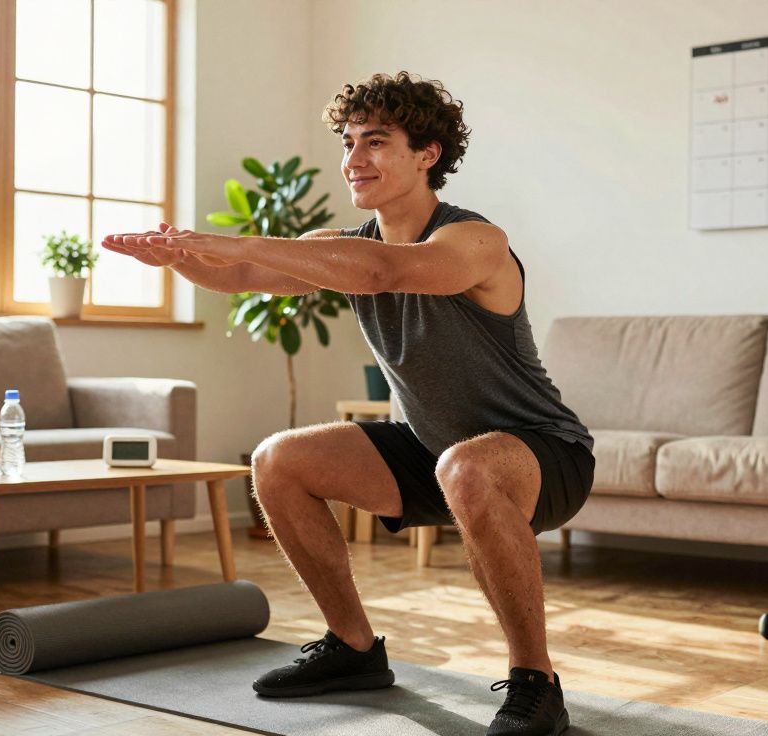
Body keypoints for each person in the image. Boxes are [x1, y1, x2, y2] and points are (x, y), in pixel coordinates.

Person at [103, 71, 595, 736]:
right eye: (348, 142)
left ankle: (536, 682)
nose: (354, 159)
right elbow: (246, 274)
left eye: (376, 142)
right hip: (433, 452)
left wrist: (230, 241)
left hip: (541, 452)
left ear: (428, 155)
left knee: (468, 468)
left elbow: (382, 272)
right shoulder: (342, 246)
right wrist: (177, 257)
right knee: (279, 461)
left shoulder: (473, 241)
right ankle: (353, 648)